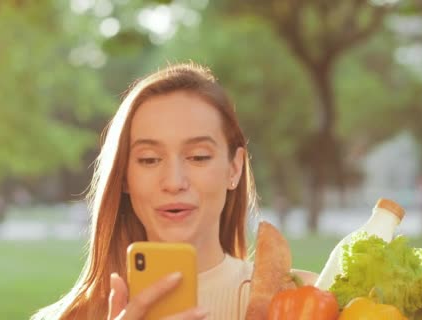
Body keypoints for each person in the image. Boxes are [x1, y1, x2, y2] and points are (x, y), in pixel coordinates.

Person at [31, 63, 317, 320]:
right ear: (125, 178)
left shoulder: (309, 304)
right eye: (149, 160)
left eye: (198, 157)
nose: (174, 181)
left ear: (234, 169)